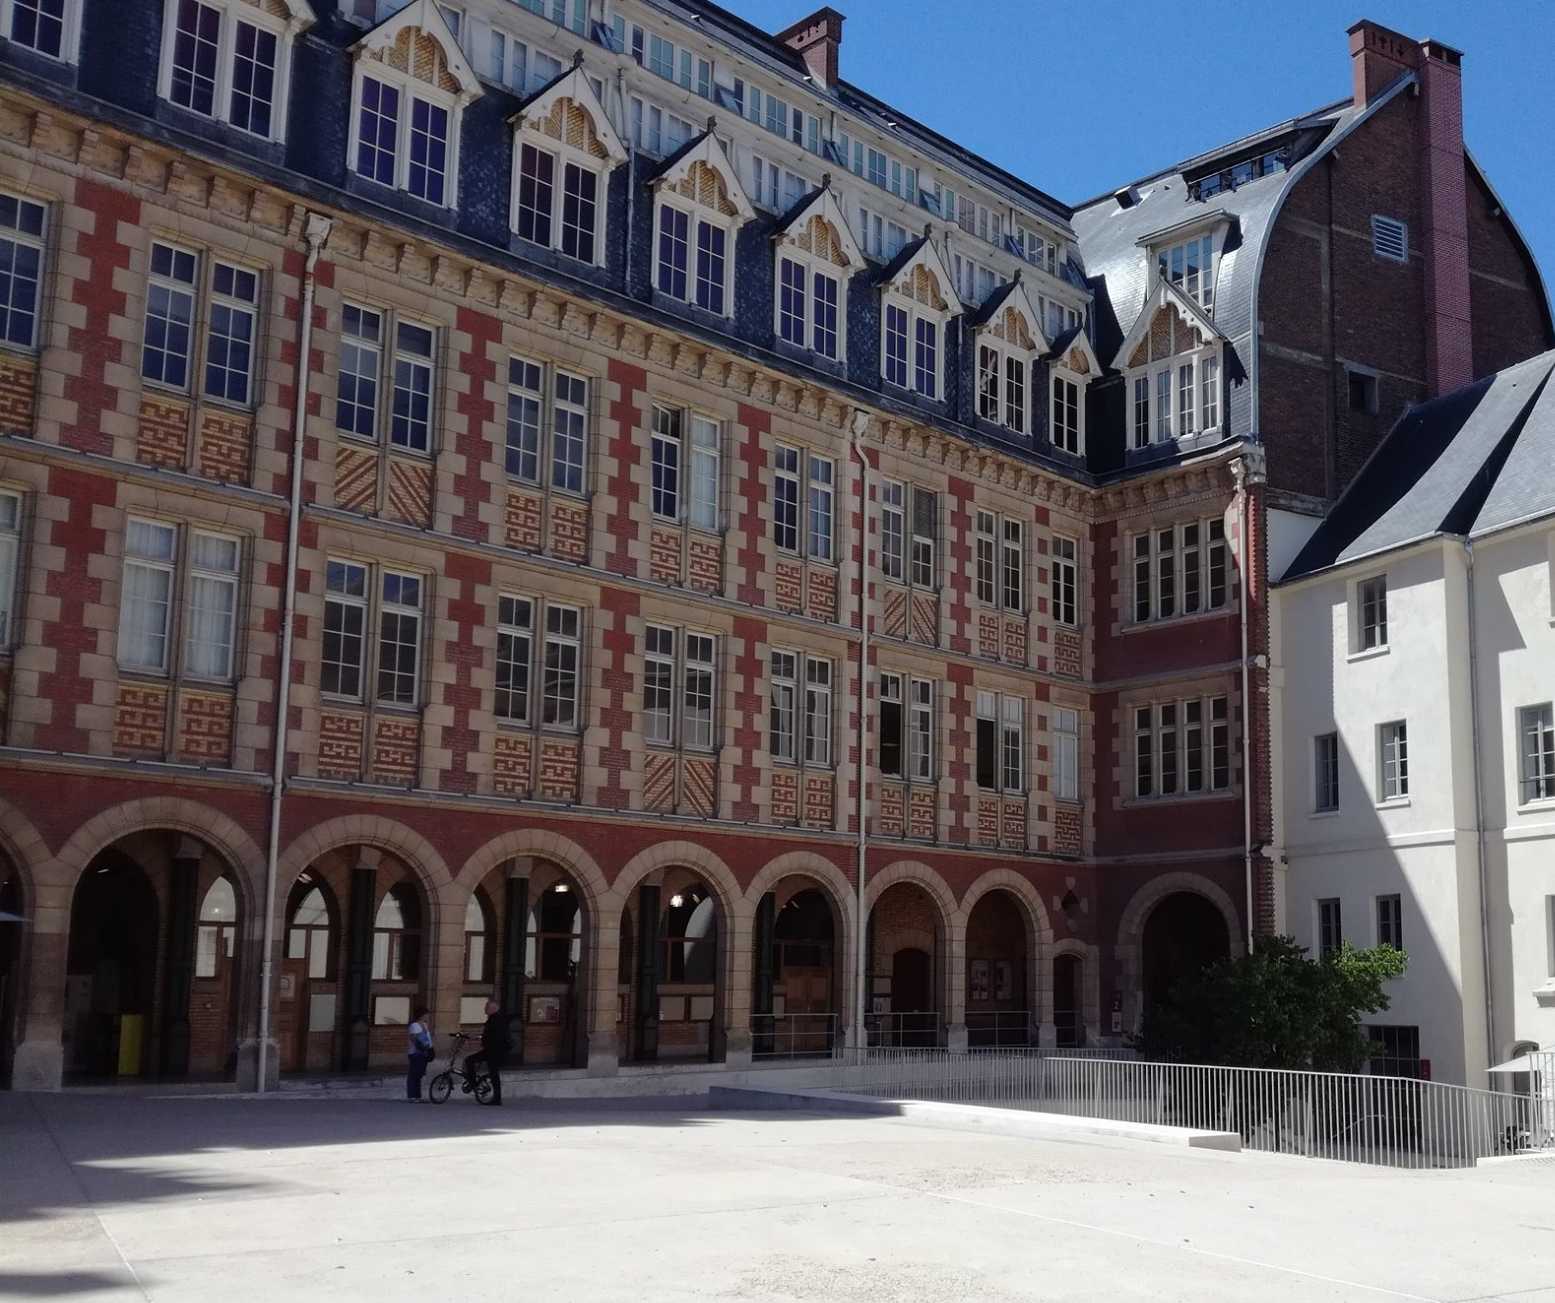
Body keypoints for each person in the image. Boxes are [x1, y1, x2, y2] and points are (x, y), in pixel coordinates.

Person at [462, 999, 512, 1105]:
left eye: (487, 1007)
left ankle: (474, 1084)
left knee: (470, 1061)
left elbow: (494, 1036)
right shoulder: (496, 1019)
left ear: (493, 1008)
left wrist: (485, 1039)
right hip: (493, 1050)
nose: (485, 1008)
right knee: (493, 1073)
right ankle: (495, 1097)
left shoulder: (495, 1020)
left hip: (493, 1051)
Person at [406, 1007, 433, 1102]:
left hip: (424, 1053)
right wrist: (419, 1048)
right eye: (425, 1015)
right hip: (416, 1053)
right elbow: (413, 1038)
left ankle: (418, 1096)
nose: (427, 1017)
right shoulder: (414, 1025)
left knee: (419, 1075)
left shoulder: (424, 1025)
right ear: (421, 1016)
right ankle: (412, 1095)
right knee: (414, 1074)